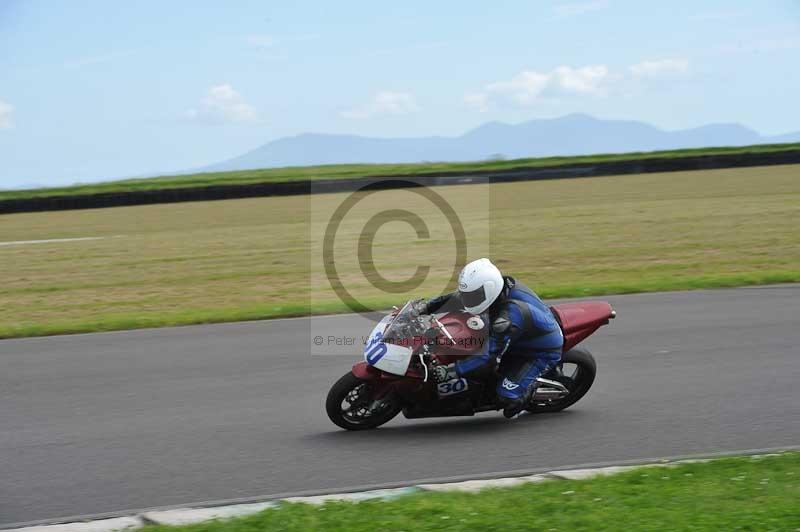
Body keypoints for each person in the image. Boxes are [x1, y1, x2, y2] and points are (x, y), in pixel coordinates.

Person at [425, 258, 563, 418]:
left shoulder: (506, 319)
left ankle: (527, 390)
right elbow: (457, 298)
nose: (467, 300)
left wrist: (452, 371)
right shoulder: (498, 289)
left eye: (472, 296)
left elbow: (487, 357)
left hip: (539, 351)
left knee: (506, 398)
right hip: (523, 333)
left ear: (489, 290)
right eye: (467, 295)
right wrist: (427, 307)